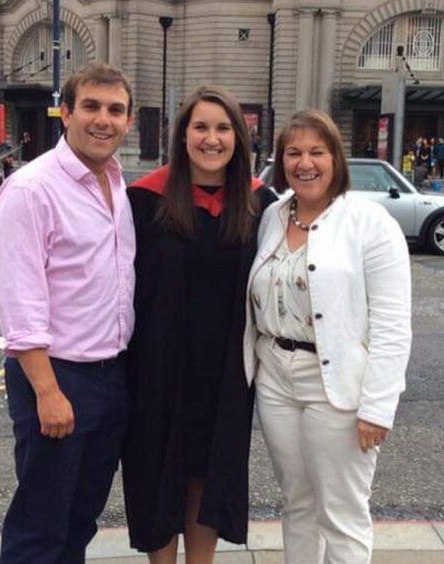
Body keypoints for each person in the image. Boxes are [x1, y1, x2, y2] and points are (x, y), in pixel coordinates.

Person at [244, 109, 412, 564]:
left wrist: (378, 407)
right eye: (293, 153)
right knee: (297, 503)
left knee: (342, 513)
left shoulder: (370, 223)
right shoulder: (274, 216)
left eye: (317, 152)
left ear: (336, 158)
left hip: (337, 387)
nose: (305, 163)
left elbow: (393, 324)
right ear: (281, 162)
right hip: (276, 379)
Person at [0, 62, 135, 564]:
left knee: (79, 521)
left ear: (128, 121)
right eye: (91, 106)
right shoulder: (32, 190)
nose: (103, 120)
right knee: (40, 526)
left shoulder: (116, 184)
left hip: (111, 377)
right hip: (57, 378)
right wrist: (47, 392)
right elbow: (20, 301)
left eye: (115, 110)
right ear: (66, 114)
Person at [122, 85, 276, 563]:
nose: (212, 138)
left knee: (206, 476)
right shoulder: (143, 201)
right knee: (156, 473)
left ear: (240, 137)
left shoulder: (260, 204)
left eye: (224, 128)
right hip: (155, 367)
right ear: (182, 136)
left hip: (225, 369)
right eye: (201, 127)